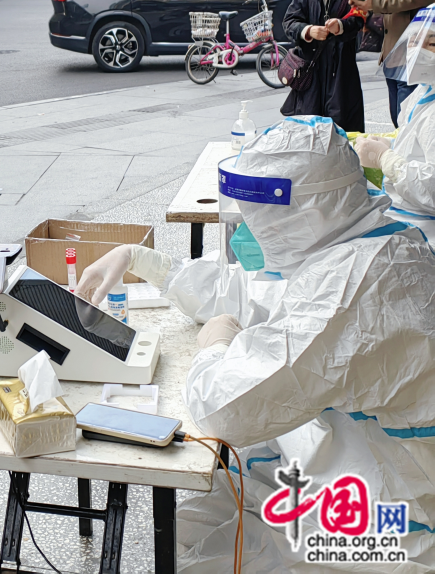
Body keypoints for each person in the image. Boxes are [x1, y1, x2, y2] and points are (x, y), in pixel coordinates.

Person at [77, 117, 435, 571]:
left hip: (384, 515)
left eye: (261, 215)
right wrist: (140, 259)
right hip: (350, 459)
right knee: (193, 522)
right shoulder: (363, 242)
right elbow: (256, 292)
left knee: (197, 546)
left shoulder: (353, 286)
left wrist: (214, 349)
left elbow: (224, 410)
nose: (251, 229)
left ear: (306, 210)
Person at [356, 5, 435, 240]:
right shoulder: (423, 91)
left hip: (424, 230)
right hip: (405, 212)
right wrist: (392, 146)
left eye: (432, 43)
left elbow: (432, 190)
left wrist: (385, 158)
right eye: (413, 40)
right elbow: (419, 146)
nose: (417, 50)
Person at [281, 0, 366, 131]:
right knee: (309, 128)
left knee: (343, 127)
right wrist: (308, 30)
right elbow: (289, 22)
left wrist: (341, 26)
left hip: (342, 74)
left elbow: (360, 18)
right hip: (311, 75)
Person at [350, 0, 433, 127]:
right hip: (392, 55)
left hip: (414, 57)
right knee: (397, 117)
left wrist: (375, 3)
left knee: (407, 120)